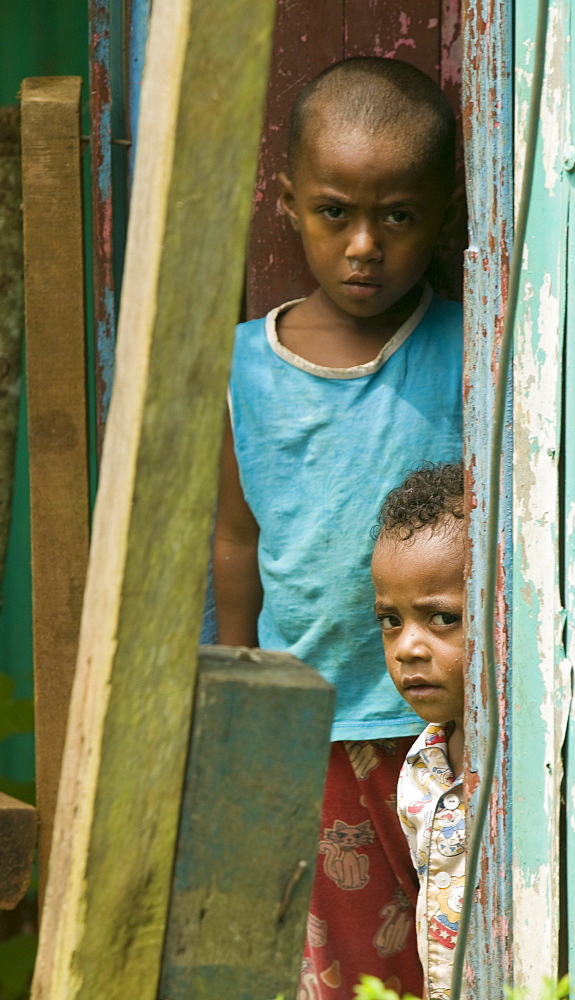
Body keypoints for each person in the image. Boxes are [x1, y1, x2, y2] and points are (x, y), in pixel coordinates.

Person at [213, 57, 463, 998]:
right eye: (334, 212)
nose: (365, 245)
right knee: (346, 970)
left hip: (441, 728)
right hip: (310, 729)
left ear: (443, 212)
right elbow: (237, 540)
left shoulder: (467, 345)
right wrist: (240, 690)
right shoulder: (244, 366)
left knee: (451, 953)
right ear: (287, 203)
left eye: (397, 215)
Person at [371, 463, 466, 1000]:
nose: (407, 646)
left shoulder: (533, 764)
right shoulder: (421, 766)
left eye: (441, 618)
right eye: (391, 620)